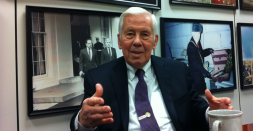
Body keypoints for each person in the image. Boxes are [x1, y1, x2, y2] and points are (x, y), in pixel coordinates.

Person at [70, 7, 233, 131]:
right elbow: (78, 122)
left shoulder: (178, 71)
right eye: (130, 34)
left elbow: (196, 107)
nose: (137, 41)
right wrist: (83, 120)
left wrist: (212, 112)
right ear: (120, 41)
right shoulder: (99, 78)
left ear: (155, 42)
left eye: (145, 35)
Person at [187, 23, 214, 93]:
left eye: (199, 34)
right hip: (195, 73)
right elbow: (196, 63)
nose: (197, 36)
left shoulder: (198, 43)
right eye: (195, 34)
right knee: (199, 91)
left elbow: (201, 54)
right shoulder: (191, 46)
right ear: (192, 33)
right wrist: (205, 73)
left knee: (203, 88)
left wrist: (208, 51)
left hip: (200, 71)